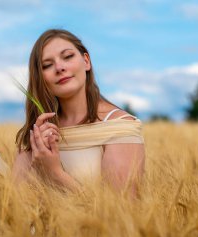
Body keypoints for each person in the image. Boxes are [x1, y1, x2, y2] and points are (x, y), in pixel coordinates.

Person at [12, 29, 145, 194]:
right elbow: (12, 204)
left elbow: (121, 211)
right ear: (41, 78)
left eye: (67, 57)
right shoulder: (39, 133)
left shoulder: (119, 126)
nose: (59, 67)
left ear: (86, 61)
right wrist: (33, 153)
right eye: (47, 65)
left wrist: (54, 173)